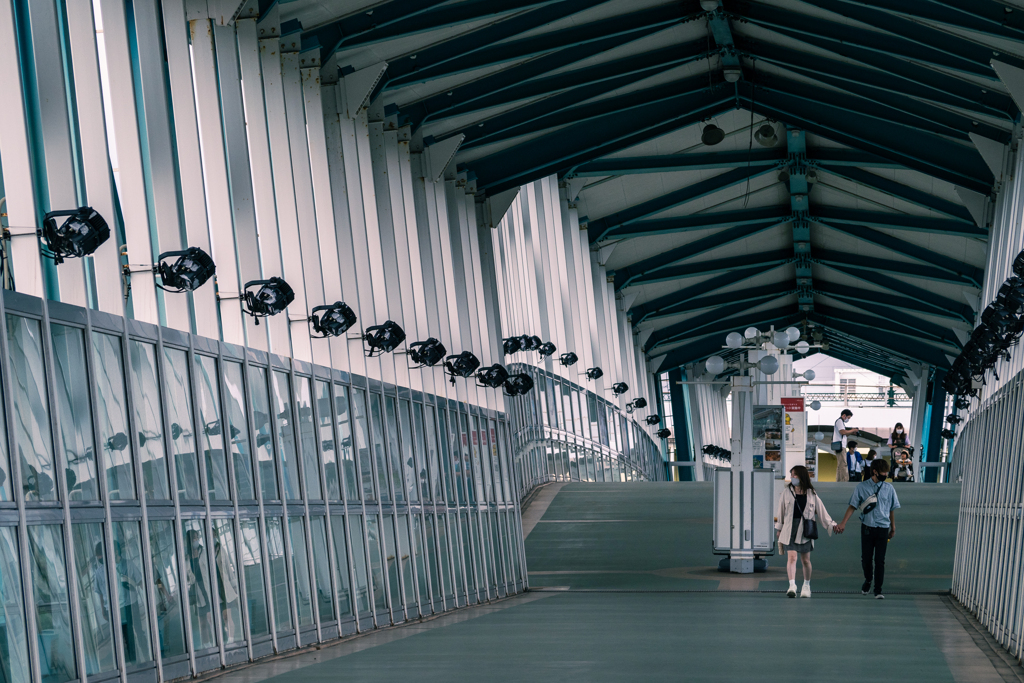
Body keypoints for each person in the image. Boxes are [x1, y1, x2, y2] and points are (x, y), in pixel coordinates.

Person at [837, 459, 901, 599]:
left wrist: (893, 527)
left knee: (880, 560)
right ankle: (868, 579)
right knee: (866, 559)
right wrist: (843, 523)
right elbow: (853, 506)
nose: (886, 474)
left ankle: (878, 590)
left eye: (886, 472)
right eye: (883, 472)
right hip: (867, 527)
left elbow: (891, 509)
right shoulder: (861, 487)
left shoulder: (889, 488)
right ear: (875, 472)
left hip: (883, 528)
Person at [774, 465, 840, 598]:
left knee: (805, 560)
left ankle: (806, 585)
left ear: (801, 476)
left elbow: (822, 512)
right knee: (792, 557)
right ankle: (792, 586)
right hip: (789, 528)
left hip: (805, 530)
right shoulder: (787, 492)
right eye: (791, 474)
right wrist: (779, 529)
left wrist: (832, 525)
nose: (792, 477)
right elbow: (780, 511)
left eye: (795, 475)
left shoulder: (812, 493)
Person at [832, 409, 858, 482]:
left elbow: (845, 433)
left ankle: (839, 480)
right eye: (848, 418)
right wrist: (853, 430)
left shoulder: (840, 422)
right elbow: (843, 432)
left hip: (840, 446)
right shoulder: (839, 421)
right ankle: (844, 480)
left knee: (840, 464)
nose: (848, 419)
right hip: (840, 446)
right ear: (844, 415)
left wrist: (852, 432)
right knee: (843, 464)